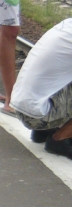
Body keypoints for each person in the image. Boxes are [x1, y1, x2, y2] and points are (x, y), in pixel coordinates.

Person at [10, 18, 72, 158]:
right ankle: (60, 139)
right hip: (38, 115)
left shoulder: (67, 24)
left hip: (27, 108)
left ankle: (45, 131)